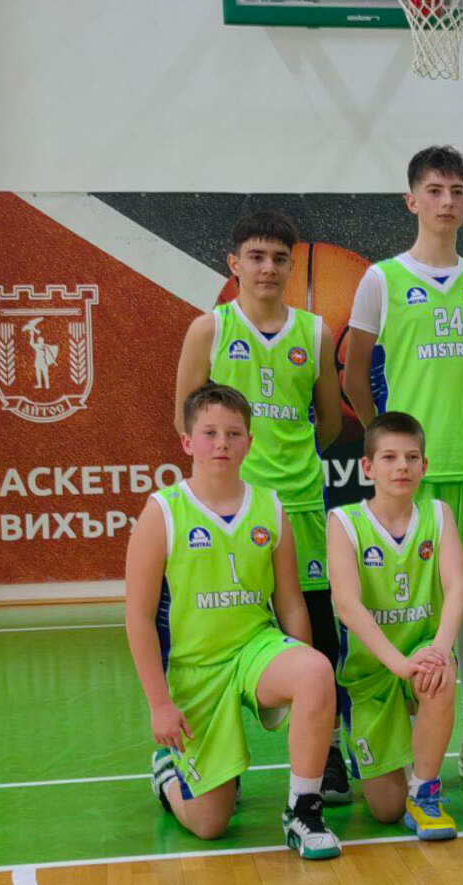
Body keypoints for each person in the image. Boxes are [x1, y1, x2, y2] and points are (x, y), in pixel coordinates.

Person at [343, 145, 463, 793]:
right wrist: (389, 445)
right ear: (412, 199)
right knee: (400, 605)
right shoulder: (381, 279)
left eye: (457, 190)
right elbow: (355, 376)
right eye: (435, 190)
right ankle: (384, 737)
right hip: (412, 475)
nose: (447, 201)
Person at [172, 210, 349, 802]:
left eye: (278, 258)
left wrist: (288, 462)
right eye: (256, 256)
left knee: (316, 629)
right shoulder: (209, 329)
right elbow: (185, 419)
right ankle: (202, 746)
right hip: (231, 509)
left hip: (298, 502)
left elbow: (329, 421)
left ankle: (327, 754)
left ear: (292, 266)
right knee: (221, 627)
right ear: (234, 264)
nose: (267, 268)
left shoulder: (314, 332)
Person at [127, 383, 340, 858]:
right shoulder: (162, 513)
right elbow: (138, 618)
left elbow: (291, 604)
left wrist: (306, 671)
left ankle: (304, 812)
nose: (221, 443)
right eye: (209, 433)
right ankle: (168, 775)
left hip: (254, 651)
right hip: (197, 669)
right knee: (210, 823)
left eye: (233, 433)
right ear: (187, 441)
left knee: (315, 670)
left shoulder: (270, 507)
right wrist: (159, 704)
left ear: (249, 442)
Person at [326, 412, 463, 839]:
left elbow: (457, 589)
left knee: (439, 675)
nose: (402, 466)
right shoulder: (344, 522)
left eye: (411, 457)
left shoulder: (439, 514)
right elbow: (347, 606)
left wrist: (438, 651)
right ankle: (392, 755)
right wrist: (398, 664)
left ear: (425, 465)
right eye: (389, 457)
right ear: (368, 467)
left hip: (422, 652)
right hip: (372, 669)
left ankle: (424, 791)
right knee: (385, 810)